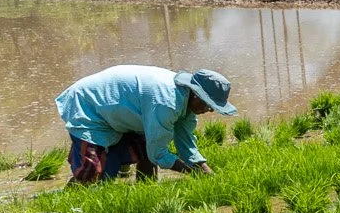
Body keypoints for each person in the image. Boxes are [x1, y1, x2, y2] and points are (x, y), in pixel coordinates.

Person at [55, 66, 237, 185]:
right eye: (209, 105)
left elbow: (186, 143)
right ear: (197, 95)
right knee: (91, 175)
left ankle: (145, 186)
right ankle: (74, 191)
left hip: (118, 113)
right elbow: (158, 153)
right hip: (90, 105)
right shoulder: (166, 102)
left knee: (142, 148)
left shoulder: (186, 104)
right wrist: (191, 172)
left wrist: (205, 170)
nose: (210, 110)